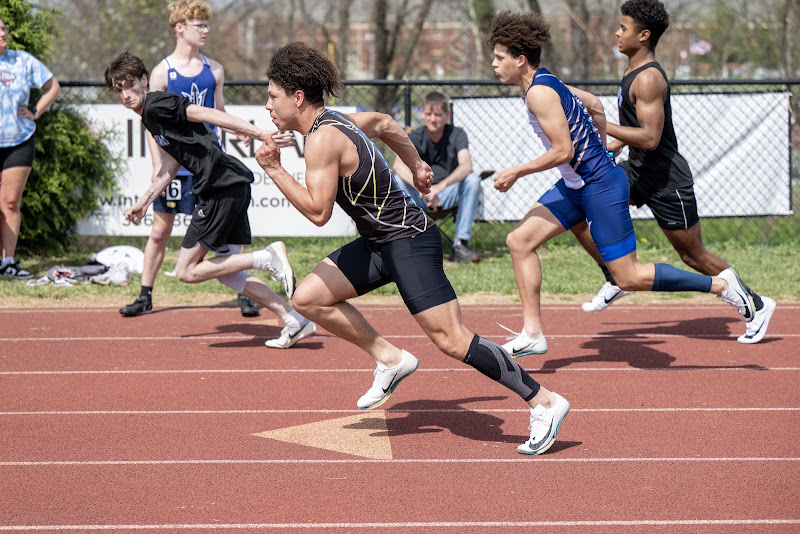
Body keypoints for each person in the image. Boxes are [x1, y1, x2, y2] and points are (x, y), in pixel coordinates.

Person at [254, 41, 569, 456]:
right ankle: (389, 358)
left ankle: (544, 400)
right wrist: (418, 163)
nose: (267, 105)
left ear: (297, 97)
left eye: (273, 96)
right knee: (308, 298)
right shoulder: (338, 120)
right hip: (380, 241)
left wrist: (274, 168)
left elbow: (317, 212)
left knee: (452, 340)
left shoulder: (321, 140)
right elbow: (385, 123)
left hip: (409, 240)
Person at [486, 11, 755, 358]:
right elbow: (595, 105)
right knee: (519, 241)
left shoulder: (539, 93)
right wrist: (597, 147)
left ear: (520, 60)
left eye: (499, 57)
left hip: (599, 186)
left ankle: (722, 285)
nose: (494, 64)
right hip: (578, 184)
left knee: (628, 277)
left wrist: (516, 172)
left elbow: (563, 150)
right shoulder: (546, 80)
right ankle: (533, 333)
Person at [571, 0, 775, 345]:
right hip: (637, 173)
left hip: (666, 182)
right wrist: (617, 144)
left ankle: (755, 303)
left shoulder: (649, 78)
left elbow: (651, 138)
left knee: (693, 255)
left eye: (624, 28)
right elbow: (640, 129)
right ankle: (615, 277)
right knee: (577, 206)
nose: (617, 33)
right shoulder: (631, 71)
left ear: (644, 35)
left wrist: (604, 128)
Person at [104, 51, 315, 350]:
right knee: (230, 275)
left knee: (186, 271)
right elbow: (170, 166)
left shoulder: (156, 104)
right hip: (230, 183)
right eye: (118, 90)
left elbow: (205, 112)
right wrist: (145, 200)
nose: (126, 94)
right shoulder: (149, 118)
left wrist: (258, 133)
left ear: (144, 81)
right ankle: (295, 319)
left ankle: (266, 258)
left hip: (220, 185)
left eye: (129, 85)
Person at [119, 0, 260, 319]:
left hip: (207, 162)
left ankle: (243, 292)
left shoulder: (215, 69)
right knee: (159, 230)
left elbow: (218, 110)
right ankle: (145, 294)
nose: (206, 31)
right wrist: (157, 163)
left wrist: (240, 130)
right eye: (200, 25)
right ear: (180, 28)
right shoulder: (161, 72)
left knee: (227, 230)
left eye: (207, 24)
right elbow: (150, 124)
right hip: (174, 163)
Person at [0, 17, 60, 279]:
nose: (2, 32)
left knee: (11, 202)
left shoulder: (22, 60)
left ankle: (8, 263)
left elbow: (52, 86)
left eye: (3, 27)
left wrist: (35, 110)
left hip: (19, 141)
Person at [392, 91, 481, 263]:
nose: (433, 119)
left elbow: (467, 165)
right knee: (397, 179)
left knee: (473, 180)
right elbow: (397, 165)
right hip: (420, 195)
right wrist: (422, 188)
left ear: (447, 115)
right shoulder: (415, 136)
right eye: (428, 114)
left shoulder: (457, 134)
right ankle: (408, 242)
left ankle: (460, 245)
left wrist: (440, 187)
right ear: (423, 115)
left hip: (447, 193)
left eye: (438, 114)